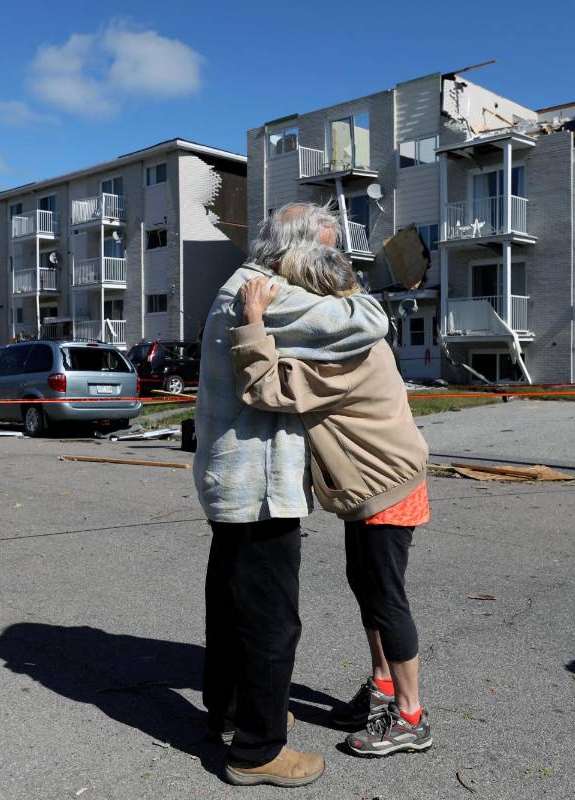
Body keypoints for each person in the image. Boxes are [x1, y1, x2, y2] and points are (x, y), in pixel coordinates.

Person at [193, 203, 388, 787]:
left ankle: (229, 717)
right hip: (258, 487)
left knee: (232, 608)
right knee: (270, 620)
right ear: (298, 250)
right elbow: (367, 321)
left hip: (234, 480)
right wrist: (347, 281)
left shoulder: (244, 285)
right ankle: (258, 752)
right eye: (327, 251)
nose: (331, 263)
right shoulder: (269, 292)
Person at [229, 244, 432, 757]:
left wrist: (253, 320)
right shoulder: (348, 329)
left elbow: (268, 390)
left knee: (386, 600)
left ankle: (410, 716)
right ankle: (383, 688)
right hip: (372, 485)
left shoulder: (344, 350)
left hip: (385, 487)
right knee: (369, 593)